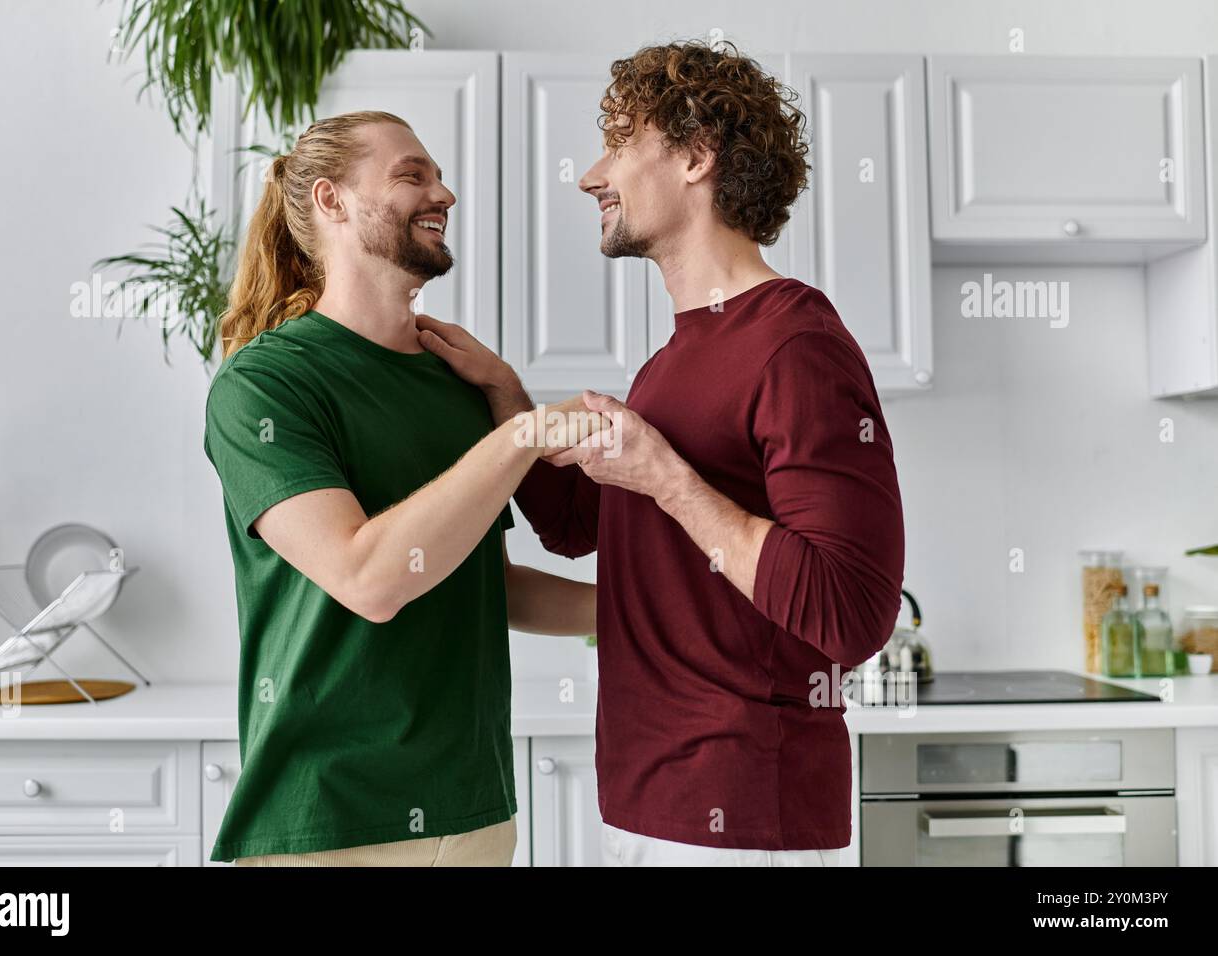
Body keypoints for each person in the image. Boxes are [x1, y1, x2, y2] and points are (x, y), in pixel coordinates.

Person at [419, 42, 905, 866]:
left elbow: (852, 616)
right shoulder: (673, 359)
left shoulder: (797, 344)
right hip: (653, 798)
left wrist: (670, 481)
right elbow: (578, 528)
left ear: (694, 156)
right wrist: (508, 397)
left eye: (618, 140)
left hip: (747, 808)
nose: (590, 174)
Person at [203, 111, 596, 867]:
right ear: (332, 200)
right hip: (331, 819)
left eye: (438, 176)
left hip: (474, 812)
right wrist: (522, 436)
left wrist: (657, 611)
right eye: (411, 175)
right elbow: (368, 579)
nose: (442, 193)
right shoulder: (265, 385)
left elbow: (485, 583)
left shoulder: (458, 383)